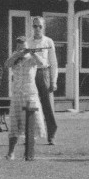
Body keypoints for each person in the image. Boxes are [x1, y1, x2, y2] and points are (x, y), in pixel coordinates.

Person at [4, 36, 46, 160]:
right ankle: (10, 153)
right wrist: (18, 54)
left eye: (23, 47)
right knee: (14, 125)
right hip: (17, 94)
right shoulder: (15, 56)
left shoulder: (32, 58)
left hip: (30, 95)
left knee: (31, 125)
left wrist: (32, 53)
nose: (21, 49)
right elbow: (7, 64)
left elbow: (43, 64)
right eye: (19, 47)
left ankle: (28, 153)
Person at [28, 16, 58, 144]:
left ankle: (51, 136)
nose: (37, 29)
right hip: (31, 74)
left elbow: (53, 63)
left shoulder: (48, 42)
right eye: (35, 26)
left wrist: (53, 81)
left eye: (40, 26)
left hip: (44, 73)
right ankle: (31, 136)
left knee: (48, 107)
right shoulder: (28, 42)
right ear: (32, 27)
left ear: (43, 27)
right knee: (30, 105)